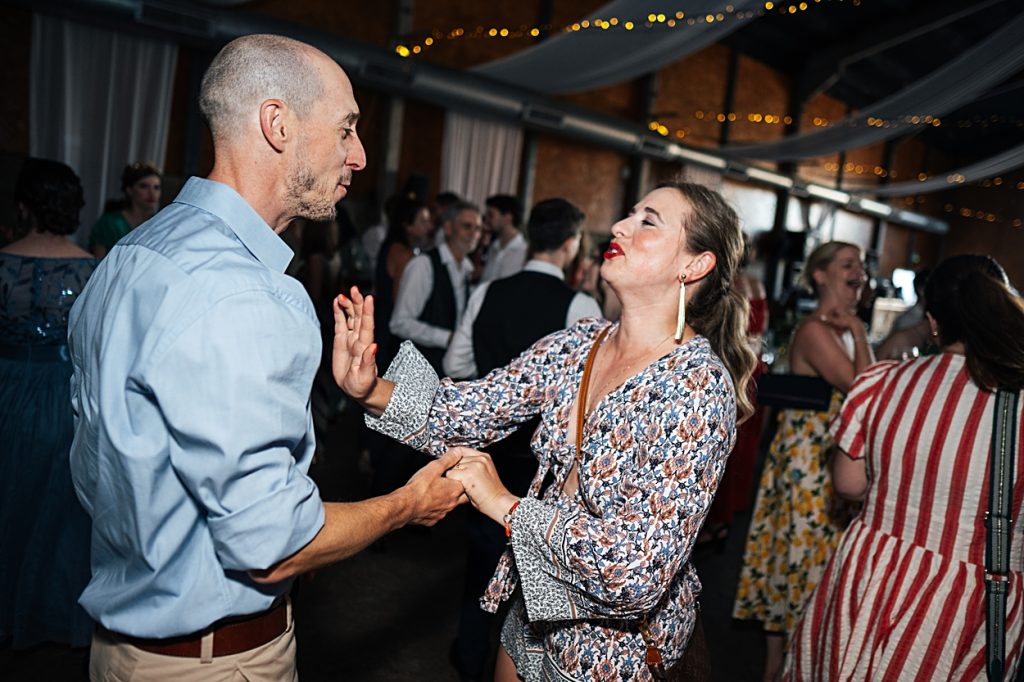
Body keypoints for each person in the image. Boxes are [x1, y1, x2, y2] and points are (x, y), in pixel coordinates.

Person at [68, 34, 464, 680]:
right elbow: (271, 547)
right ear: (277, 124)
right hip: (211, 664)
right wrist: (406, 505)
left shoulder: (133, 254)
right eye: (346, 130)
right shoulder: (243, 294)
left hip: (124, 646)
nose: (360, 157)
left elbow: (96, 469)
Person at [334, 181, 758, 681]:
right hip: (535, 609)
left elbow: (638, 571)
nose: (620, 226)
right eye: (630, 213)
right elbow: (470, 409)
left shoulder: (697, 388)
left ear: (694, 265)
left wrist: (503, 504)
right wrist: (371, 390)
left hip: (612, 652)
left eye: (649, 222)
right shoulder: (579, 343)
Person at [784, 254, 1024, 680]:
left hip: (872, 566)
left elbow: (849, 483)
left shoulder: (881, 382)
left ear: (933, 322)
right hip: (967, 590)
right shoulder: (1017, 403)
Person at [441, 197, 601, 680]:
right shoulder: (581, 307)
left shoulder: (487, 291)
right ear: (572, 244)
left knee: (482, 561)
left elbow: (455, 367)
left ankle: (471, 655)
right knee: (535, 572)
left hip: (488, 458)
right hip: (545, 471)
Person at [733, 240, 874, 681]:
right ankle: (785, 666)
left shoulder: (842, 329)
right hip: (807, 463)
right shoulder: (816, 330)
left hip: (822, 460)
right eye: (849, 264)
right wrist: (859, 331)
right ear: (820, 275)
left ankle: (785, 666)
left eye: (862, 266)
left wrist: (856, 330)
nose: (861, 273)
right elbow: (863, 387)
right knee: (800, 561)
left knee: (801, 561)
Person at [0, 158, 96, 651]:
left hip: (9, 391)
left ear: (23, 205)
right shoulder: (92, 269)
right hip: (64, 397)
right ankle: (46, 613)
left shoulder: (3, 260)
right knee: (58, 513)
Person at [700, 233, 768, 549]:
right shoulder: (757, 283)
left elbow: (725, 332)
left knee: (725, 443)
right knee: (745, 443)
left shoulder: (728, 286)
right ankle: (729, 516)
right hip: (757, 365)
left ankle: (715, 520)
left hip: (735, 364)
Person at [389, 200, 482, 374]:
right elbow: (400, 323)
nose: (474, 234)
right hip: (418, 372)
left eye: (478, 228)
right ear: (448, 228)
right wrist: (448, 338)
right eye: (467, 226)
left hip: (447, 372)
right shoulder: (424, 265)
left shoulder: (468, 270)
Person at [87, 161, 162, 258]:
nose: (152, 193)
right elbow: (98, 264)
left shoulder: (161, 223)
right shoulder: (109, 223)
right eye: (144, 186)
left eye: (156, 187)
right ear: (129, 190)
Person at [479, 194, 527, 283]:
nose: (486, 221)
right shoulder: (493, 247)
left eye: (491, 215)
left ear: (507, 218)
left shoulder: (524, 252)